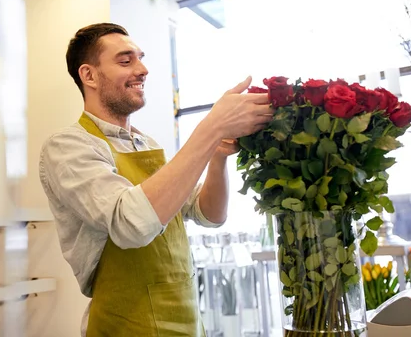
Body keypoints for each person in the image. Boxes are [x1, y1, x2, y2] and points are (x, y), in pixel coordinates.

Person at [39, 23, 273, 337]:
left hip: (186, 320)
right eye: (126, 61)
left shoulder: (146, 145)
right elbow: (130, 223)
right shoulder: (68, 147)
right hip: (125, 324)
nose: (143, 69)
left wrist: (216, 156)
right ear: (89, 75)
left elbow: (209, 215)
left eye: (141, 58)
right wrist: (210, 128)